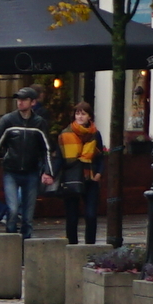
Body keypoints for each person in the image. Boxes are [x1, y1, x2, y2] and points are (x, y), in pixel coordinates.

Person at [0, 94, 51, 234]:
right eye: (18, 99)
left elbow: (46, 149)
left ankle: (26, 245)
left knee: (28, 217)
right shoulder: (8, 120)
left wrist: (48, 171)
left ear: (32, 102)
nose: (20, 102)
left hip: (32, 172)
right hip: (11, 171)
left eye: (24, 99)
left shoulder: (39, 123)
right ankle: (11, 241)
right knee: (13, 209)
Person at [56, 102, 102, 243]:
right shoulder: (65, 134)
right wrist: (51, 174)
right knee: (72, 216)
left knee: (91, 215)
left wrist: (99, 172)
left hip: (90, 177)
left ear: (89, 117)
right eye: (77, 113)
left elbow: (100, 155)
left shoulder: (95, 134)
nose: (80, 117)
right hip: (72, 177)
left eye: (83, 114)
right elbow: (59, 156)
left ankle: (90, 245)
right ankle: (72, 245)